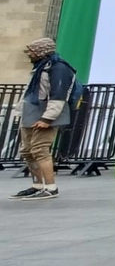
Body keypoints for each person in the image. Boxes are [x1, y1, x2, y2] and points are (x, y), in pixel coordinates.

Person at [10, 38, 76, 201]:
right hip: (31, 111)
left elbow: (59, 95)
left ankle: (51, 187)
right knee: (27, 151)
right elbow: (30, 92)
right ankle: (37, 185)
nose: (30, 54)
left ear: (42, 51)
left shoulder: (58, 68)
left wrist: (47, 118)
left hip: (45, 113)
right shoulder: (40, 67)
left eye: (32, 51)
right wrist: (19, 111)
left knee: (40, 149)